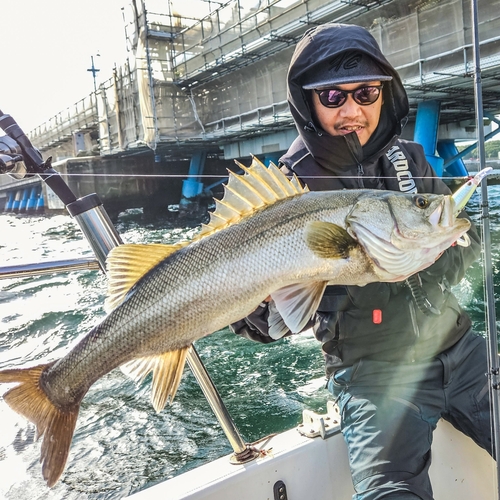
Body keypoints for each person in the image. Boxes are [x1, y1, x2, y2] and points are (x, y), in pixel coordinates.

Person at [230, 23, 492, 499]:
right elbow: (259, 327)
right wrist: (264, 302)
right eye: (332, 96)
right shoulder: (284, 190)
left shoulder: (410, 159)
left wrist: (450, 246)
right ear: (307, 103)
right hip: (372, 377)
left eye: (366, 92)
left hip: (461, 351)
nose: (352, 110)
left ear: (383, 94)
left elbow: (459, 252)